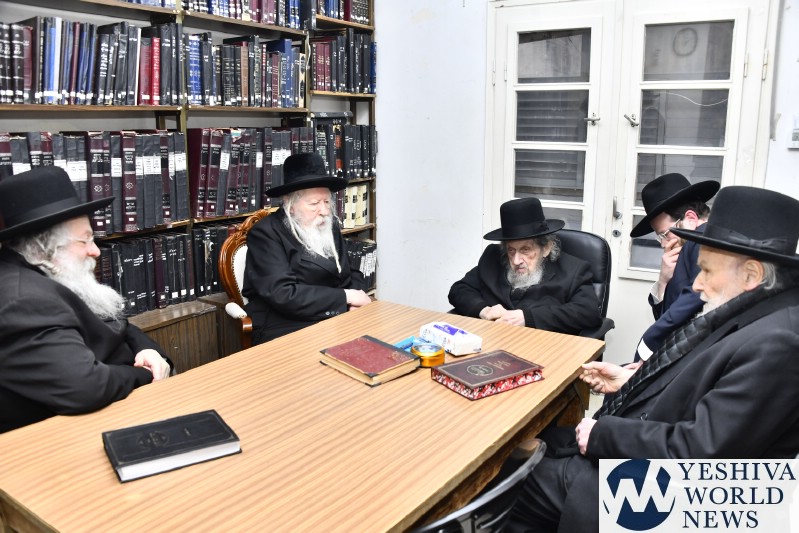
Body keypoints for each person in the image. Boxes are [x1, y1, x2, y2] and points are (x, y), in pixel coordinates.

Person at [507, 186, 799, 532]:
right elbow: (705, 387)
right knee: (540, 444)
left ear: (751, 274)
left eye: (706, 270)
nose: (697, 284)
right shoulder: (756, 311)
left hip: (675, 497)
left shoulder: (778, 343)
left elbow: (701, 452)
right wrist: (633, 382)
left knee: (524, 477)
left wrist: (603, 435)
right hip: (654, 450)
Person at [0, 167, 171, 434]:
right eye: (85, 241)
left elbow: (114, 322)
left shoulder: (48, 271)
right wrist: (146, 374)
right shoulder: (23, 301)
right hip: (60, 436)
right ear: (43, 249)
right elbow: (85, 387)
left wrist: (148, 352)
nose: (96, 251)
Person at [243, 152, 371, 344]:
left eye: (326, 201)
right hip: (286, 323)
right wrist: (345, 297)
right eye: (314, 203)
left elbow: (351, 272)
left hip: (335, 314)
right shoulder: (265, 233)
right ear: (290, 204)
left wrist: (355, 300)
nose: (325, 211)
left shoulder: (328, 225)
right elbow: (283, 293)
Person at [448, 197, 601, 335]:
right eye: (511, 250)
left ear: (546, 248)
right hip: (491, 339)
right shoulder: (492, 258)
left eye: (525, 250)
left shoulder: (574, 270)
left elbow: (588, 312)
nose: (516, 260)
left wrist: (527, 318)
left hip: (542, 347)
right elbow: (459, 290)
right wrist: (483, 310)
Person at [629, 173, 719, 360]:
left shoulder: (703, 242)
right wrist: (663, 281)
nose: (663, 244)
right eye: (660, 237)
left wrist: (643, 356)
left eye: (664, 234)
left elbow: (693, 307)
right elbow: (668, 315)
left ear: (691, 219)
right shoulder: (691, 245)